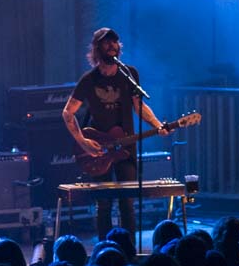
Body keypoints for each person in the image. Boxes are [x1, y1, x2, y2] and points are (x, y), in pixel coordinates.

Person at [62, 27, 168, 239]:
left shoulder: (129, 74)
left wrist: (157, 125)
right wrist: (83, 142)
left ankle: (128, 248)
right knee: (104, 203)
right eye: (106, 42)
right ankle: (104, 249)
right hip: (98, 147)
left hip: (126, 147)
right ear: (96, 48)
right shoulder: (89, 79)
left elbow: (139, 106)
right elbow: (67, 112)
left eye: (114, 42)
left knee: (127, 200)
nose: (111, 45)